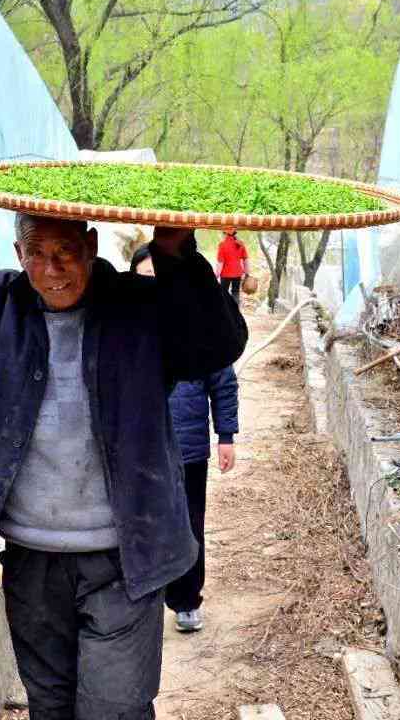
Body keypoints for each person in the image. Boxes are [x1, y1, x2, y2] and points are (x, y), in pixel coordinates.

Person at [0, 168, 247, 720]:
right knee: (51, 705)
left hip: (126, 556)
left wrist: (174, 250)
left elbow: (216, 344)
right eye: (37, 253)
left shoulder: (138, 306)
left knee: (115, 708)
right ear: (17, 252)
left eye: (66, 251)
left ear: (92, 244)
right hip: (32, 560)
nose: (52, 269)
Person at [130, 245, 239, 633]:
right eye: (144, 279)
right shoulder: (122, 330)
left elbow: (224, 384)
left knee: (188, 524)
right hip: (137, 449)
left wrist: (226, 435)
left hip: (188, 448)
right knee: (139, 522)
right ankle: (144, 598)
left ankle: (186, 599)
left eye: (160, 278)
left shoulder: (199, 328)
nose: (153, 287)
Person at [216, 229, 250, 304]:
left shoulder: (222, 245)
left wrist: (216, 276)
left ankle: (224, 311)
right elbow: (246, 260)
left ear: (225, 234)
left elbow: (220, 263)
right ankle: (235, 311)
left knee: (223, 293)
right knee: (235, 293)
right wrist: (247, 273)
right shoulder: (241, 244)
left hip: (225, 274)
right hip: (237, 273)